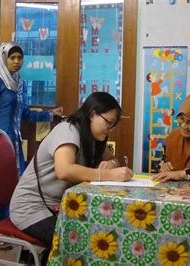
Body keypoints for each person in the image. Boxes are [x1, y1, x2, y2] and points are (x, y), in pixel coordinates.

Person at [10, 92, 133, 263]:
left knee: (101, 233)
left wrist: (111, 164)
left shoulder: (93, 137)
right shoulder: (67, 130)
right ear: (92, 114)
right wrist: (107, 174)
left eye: (114, 125)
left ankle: (44, 258)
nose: (110, 129)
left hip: (58, 207)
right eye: (108, 123)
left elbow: (113, 159)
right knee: (82, 241)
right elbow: (64, 170)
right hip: (31, 208)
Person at [0, 42, 63, 234]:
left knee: (15, 185)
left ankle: (10, 228)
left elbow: (25, 114)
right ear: (4, 58)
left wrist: (50, 115)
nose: (16, 62)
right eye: (12, 58)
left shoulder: (20, 83)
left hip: (14, 145)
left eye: (19, 58)